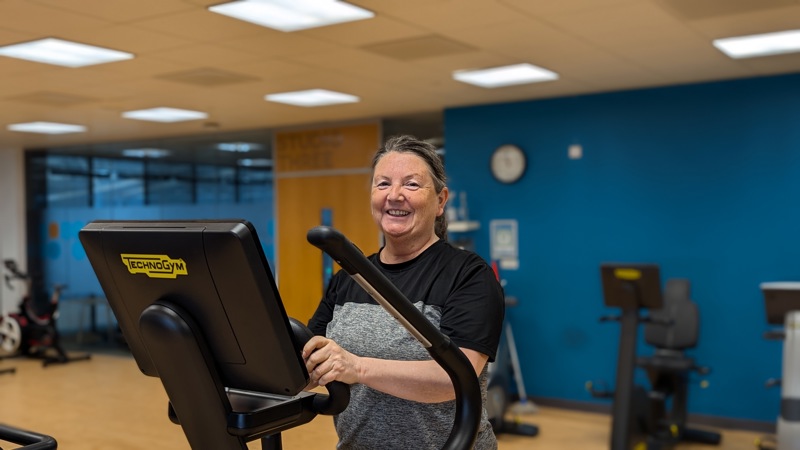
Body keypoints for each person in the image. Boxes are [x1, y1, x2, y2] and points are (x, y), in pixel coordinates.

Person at [305, 135, 506, 449]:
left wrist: (357, 367)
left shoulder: (468, 275)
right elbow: (309, 361)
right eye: (383, 183)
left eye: (411, 185)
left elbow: (454, 379)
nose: (394, 195)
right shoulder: (349, 278)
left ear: (440, 201)